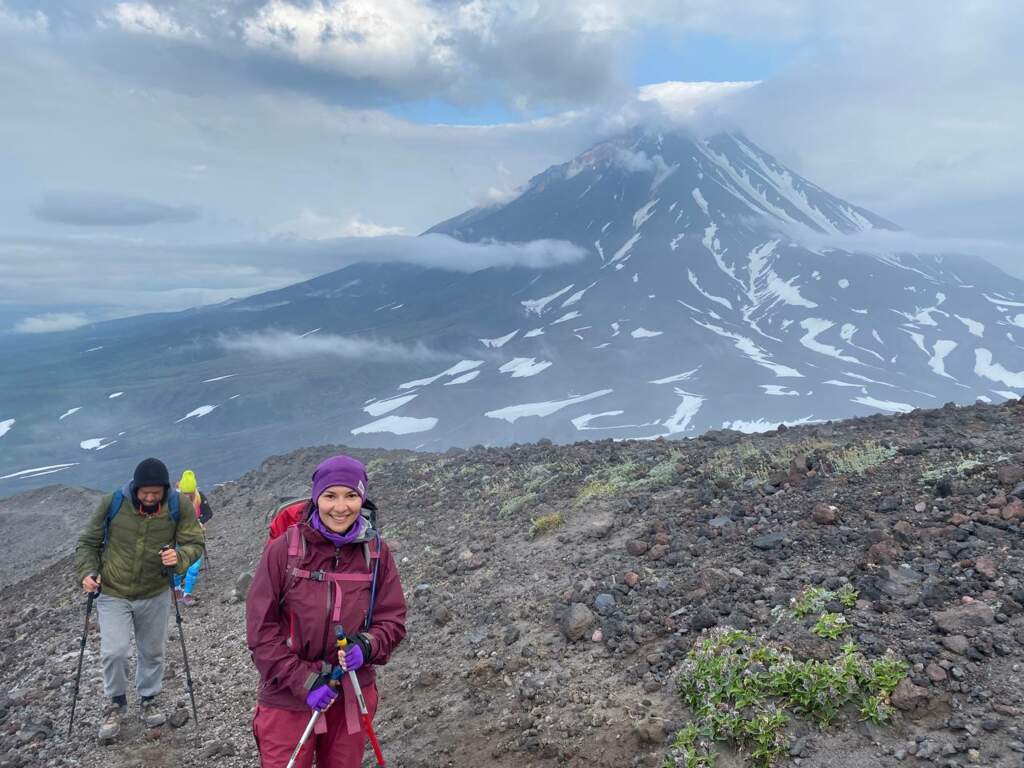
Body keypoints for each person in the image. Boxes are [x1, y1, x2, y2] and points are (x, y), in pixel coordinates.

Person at [246, 455, 407, 768]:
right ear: (316, 497)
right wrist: (305, 681)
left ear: (363, 498)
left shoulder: (375, 552)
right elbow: (260, 631)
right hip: (286, 694)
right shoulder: (284, 550)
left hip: (351, 690)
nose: (341, 507)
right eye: (330, 496)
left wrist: (368, 644)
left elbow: (392, 620)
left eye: (351, 496)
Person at [75, 457, 206, 740]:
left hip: (155, 591)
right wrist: (87, 572)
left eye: (155, 493)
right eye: (144, 492)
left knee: (153, 651)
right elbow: (87, 542)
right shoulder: (113, 503)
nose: (149, 497)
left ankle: (148, 698)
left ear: (165, 490)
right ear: (134, 488)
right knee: (115, 652)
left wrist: (180, 558)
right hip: (113, 591)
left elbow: (195, 542)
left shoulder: (178, 505)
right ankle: (116, 701)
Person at [173, 469, 214, 606]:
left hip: (195, 535)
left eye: (189, 494)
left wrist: (200, 521)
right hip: (178, 536)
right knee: (179, 563)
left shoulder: (199, 496)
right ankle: (177, 589)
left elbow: (208, 513)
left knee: (194, 565)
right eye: (185, 494)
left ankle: (187, 594)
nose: (188, 496)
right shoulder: (174, 499)